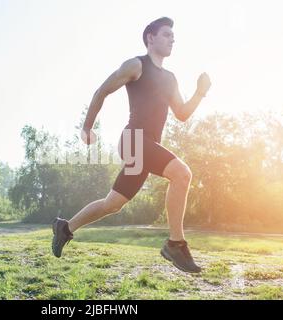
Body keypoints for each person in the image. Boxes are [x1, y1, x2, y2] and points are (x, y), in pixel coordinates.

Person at [52, 17, 211, 273]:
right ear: (150, 37)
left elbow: (181, 114)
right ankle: (175, 244)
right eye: (167, 34)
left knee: (112, 204)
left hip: (146, 147)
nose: (172, 39)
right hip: (134, 140)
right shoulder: (136, 65)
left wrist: (200, 92)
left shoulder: (170, 78)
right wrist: (87, 126)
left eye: (173, 36)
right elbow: (101, 91)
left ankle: (65, 228)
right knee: (182, 174)